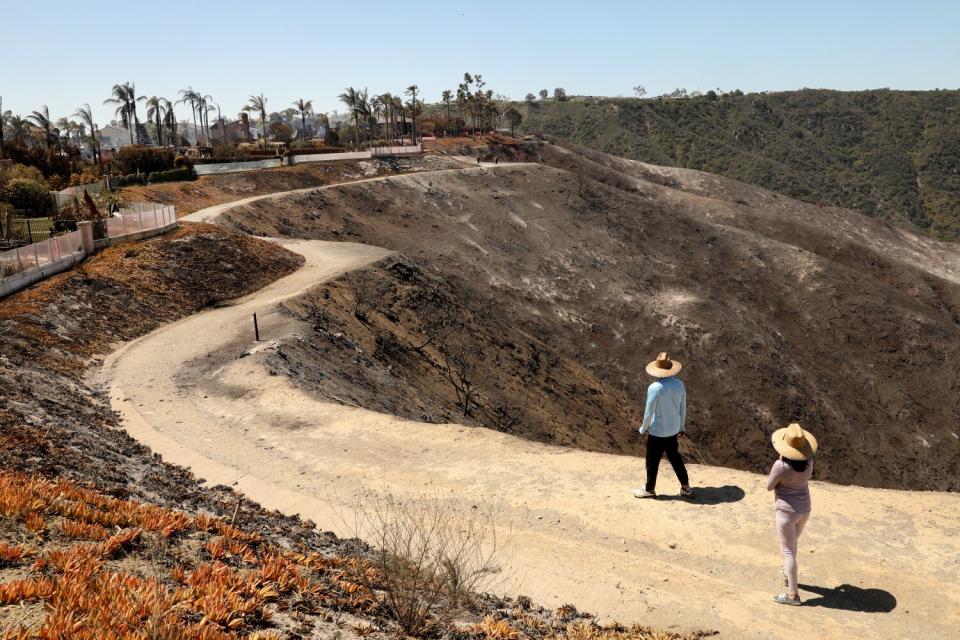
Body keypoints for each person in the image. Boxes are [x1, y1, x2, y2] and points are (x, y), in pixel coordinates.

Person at [767, 423, 817, 606]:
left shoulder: (781, 466)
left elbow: (769, 486)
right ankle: (789, 574)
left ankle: (793, 595)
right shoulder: (809, 462)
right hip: (805, 509)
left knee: (788, 551)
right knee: (793, 544)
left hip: (786, 512)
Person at [634, 352, 692, 499]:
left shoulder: (655, 388)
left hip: (658, 432)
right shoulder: (679, 385)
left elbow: (649, 413)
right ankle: (685, 488)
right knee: (675, 458)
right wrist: (681, 427)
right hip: (673, 431)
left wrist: (643, 428)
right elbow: (682, 408)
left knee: (652, 461)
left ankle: (649, 489)